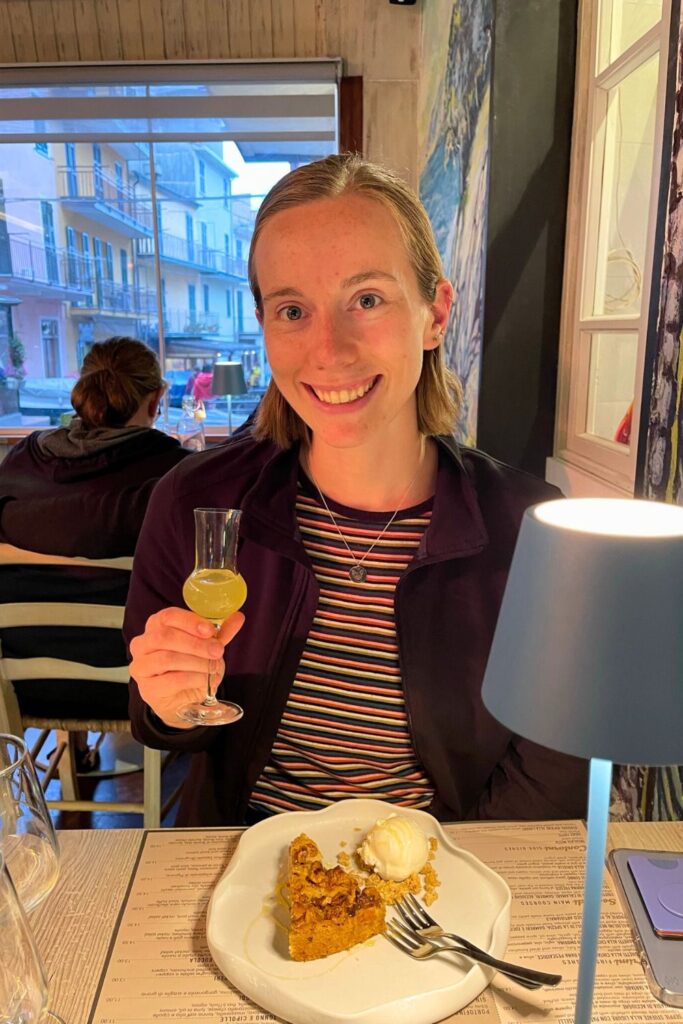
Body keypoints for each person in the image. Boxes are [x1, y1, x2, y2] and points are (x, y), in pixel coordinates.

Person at [125, 154, 588, 827]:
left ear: (435, 314)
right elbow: (159, 722)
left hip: (440, 882)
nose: (329, 351)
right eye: (292, 309)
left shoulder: (535, 529)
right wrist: (167, 699)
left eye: (366, 299)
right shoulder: (194, 501)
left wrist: (450, 880)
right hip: (247, 874)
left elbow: (555, 764)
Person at [0, 337, 190, 751]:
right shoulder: (175, 477)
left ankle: (74, 757)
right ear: (156, 400)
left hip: (22, 682)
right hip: (136, 685)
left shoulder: (19, 463)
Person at [0, 336, 189, 557]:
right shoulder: (179, 475)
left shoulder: (22, 459)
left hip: (17, 590)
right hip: (128, 592)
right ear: (155, 400)